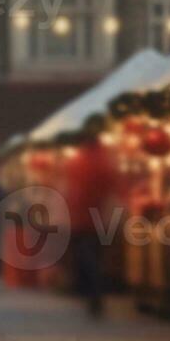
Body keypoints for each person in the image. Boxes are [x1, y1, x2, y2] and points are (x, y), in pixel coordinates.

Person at [62, 136, 119, 317]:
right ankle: (94, 293)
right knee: (96, 256)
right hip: (100, 219)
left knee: (85, 257)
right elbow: (113, 189)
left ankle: (90, 291)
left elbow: (69, 191)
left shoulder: (76, 162)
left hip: (79, 219)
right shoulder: (105, 162)